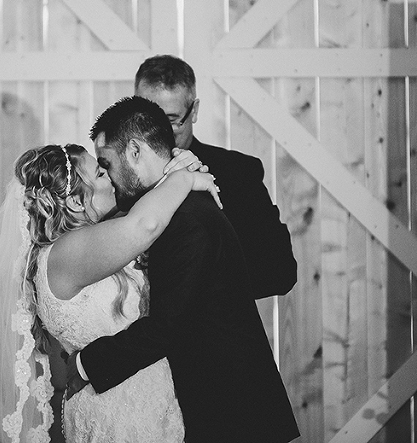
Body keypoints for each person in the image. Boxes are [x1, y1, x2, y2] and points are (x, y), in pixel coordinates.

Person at [67, 96, 300, 442]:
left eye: (107, 163)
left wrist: (84, 365)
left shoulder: (185, 220)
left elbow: (167, 327)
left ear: (134, 151)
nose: (109, 178)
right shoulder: (175, 207)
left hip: (232, 413)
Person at [0, 139, 222, 443]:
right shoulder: (66, 254)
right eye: (99, 173)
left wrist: (175, 170)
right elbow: (146, 224)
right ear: (75, 202)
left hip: (142, 401)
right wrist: (184, 178)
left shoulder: (92, 241)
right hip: (118, 414)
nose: (110, 175)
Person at [135, 54, 297, 299]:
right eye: (147, 120)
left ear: (194, 111)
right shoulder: (118, 175)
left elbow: (279, 271)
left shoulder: (238, 173)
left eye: (171, 120)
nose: (158, 132)